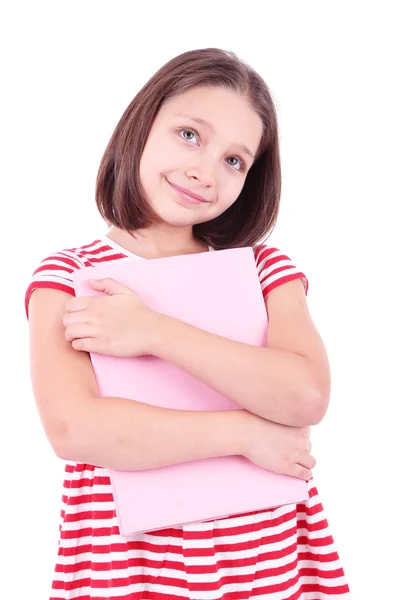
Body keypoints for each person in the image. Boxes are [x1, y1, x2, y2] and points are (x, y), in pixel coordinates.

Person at [25, 48, 350, 599]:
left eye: (235, 161)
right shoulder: (69, 274)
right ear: (142, 127)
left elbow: (306, 395)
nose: (204, 171)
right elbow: (76, 429)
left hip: (262, 556)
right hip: (130, 560)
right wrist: (243, 434)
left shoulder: (265, 270)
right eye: (190, 135)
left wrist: (154, 331)